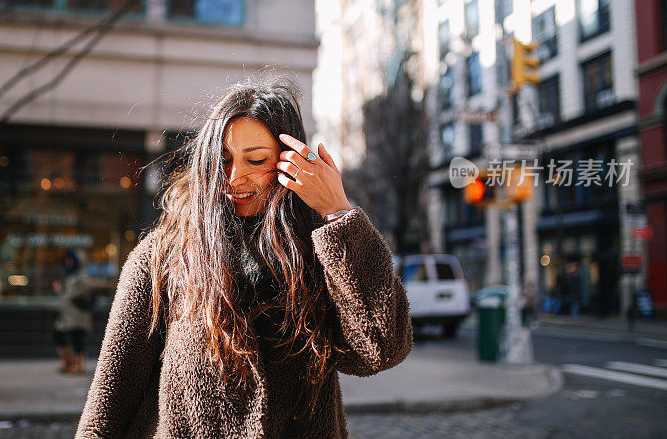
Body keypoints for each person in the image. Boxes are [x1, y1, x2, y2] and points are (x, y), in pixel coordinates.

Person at [76, 73, 413, 438]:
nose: (235, 177)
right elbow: (111, 398)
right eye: (222, 160)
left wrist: (338, 213)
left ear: (290, 164)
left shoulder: (321, 251)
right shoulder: (163, 257)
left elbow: (381, 348)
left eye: (256, 160)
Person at [54, 248, 93, 375]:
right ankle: (68, 361)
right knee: (58, 334)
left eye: (70, 259)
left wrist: (71, 294)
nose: (67, 262)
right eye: (66, 260)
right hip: (66, 313)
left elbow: (85, 287)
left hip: (77, 313)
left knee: (76, 338)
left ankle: (78, 365)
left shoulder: (81, 273)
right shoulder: (68, 273)